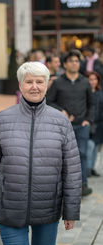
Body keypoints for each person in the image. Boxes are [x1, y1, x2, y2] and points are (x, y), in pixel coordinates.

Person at [0, 61, 82, 245]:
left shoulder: (61, 121)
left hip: (48, 206)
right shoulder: (2, 119)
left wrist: (71, 211)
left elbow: (72, 169)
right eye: (28, 82)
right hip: (9, 206)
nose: (34, 87)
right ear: (20, 85)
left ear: (46, 85)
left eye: (39, 81)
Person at [46, 49, 94, 197]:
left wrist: (88, 120)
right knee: (62, 156)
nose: (75, 63)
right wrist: (61, 111)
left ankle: (82, 184)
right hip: (62, 127)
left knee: (82, 154)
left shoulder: (85, 82)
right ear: (65, 64)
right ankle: (62, 186)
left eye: (77, 61)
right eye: (71, 61)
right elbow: (49, 101)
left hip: (81, 126)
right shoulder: (58, 82)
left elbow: (92, 104)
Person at [86, 71, 103, 177]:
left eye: (95, 79)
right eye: (91, 79)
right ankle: (87, 168)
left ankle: (92, 168)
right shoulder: (85, 92)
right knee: (89, 145)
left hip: (100, 124)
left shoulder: (100, 93)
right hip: (88, 123)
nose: (93, 82)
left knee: (96, 147)